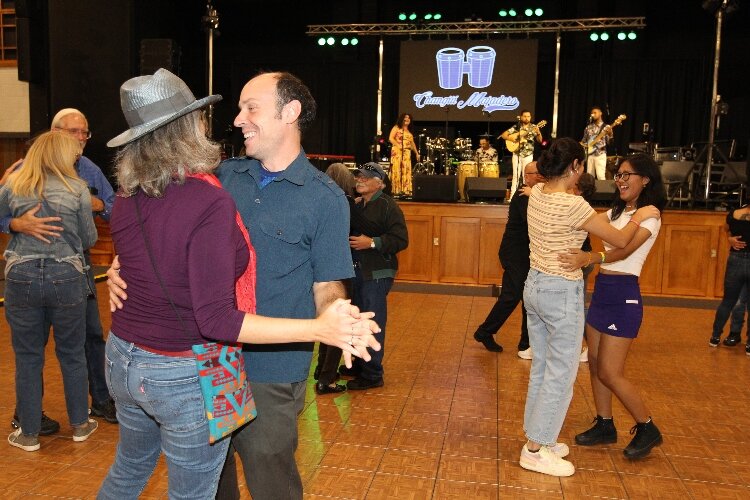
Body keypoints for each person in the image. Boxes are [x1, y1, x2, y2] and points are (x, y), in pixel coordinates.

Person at [98, 69, 379, 499]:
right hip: (204, 361)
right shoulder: (219, 177)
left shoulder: (324, 197)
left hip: (272, 367)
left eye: (252, 107)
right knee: (213, 481)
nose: (238, 119)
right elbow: (160, 233)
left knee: (271, 481)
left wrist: (332, 316)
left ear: (291, 112)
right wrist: (123, 265)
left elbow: (328, 282)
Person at [519, 138, 659, 477]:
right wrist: (646, 214)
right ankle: (536, 450)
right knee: (561, 374)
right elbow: (622, 240)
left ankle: (540, 439)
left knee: (542, 368)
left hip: (534, 286)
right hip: (559, 291)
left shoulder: (536, 194)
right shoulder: (575, 207)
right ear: (576, 168)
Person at [1, 109, 118, 431]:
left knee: (90, 336)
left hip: (67, 266)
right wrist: (14, 223)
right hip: (66, 269)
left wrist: (99, 206)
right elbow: (89, 234)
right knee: (37, 347)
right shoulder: (21, 172)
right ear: (54, 135)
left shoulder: (88, 171)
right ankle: (36, 416)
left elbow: (112, 207)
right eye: (73, 133)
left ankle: (100, 401)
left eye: (85, 133)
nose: (80, 140)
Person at [559, 154, 667, 459]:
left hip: (624, 296)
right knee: (594, 363)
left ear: (645, 179)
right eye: (617, 175)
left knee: (609, 371)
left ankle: (647, 426)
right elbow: (591, 221)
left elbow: (623, 249)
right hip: (603, 291)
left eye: (626, 175)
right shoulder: (619, 211)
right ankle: (605, 423)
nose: (619, 180)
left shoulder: (650, 214)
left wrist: (590, 257)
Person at [340, 162, 409, 390]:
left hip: (377, 273)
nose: (359, 179)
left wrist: (371, 243)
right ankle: (359, 365)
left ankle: (372, 374)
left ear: (380, 182)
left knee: (372, 322)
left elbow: (400, 240)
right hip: (357, 271)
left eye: (365, 177)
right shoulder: (360, 205)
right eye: (358, 176)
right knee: (358, 319)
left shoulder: (388, 206)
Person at [473, 162, 543, 355]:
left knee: (526, 298)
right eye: (534, 173)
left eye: (541, 173)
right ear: (526, 176)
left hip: (526, 254)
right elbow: (533, 222)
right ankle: (486, 332)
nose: (539, 176)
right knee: (512, 297)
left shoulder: (536, 194)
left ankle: (524, 343)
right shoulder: (523, 194)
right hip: (515, 253)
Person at [313, 162, 357, 395]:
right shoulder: (346, 203)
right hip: (341, 266)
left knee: (326, 319)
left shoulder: (319, 199)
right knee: (340, 324)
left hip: (321, 266)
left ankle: (321, 370)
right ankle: (327, 379)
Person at [709, 204, 750, 353]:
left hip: (735, 259)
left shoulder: (736, 213)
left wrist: (730, 239)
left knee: (728, 301)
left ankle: (714, 337)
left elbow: (725, 228)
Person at [500, 110, 543, 196]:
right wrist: (512, 138)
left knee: (526, 175)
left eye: (528, 116)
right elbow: (504, 135)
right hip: (517, 154)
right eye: (525, 116)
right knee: (515, 175)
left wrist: (538, 133)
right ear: (521, 117)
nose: (527, 118)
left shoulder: (534, 127)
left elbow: (540, 141)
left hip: (528, 155)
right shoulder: (517, 127)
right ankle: (512, 196)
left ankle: (524, 196)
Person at [722, 233, 748, 347]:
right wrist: (729, 238)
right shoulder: (736, 214)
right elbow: (727, 226)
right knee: (738, 300)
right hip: (739, 258)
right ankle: (735, 332)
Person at [389, 113, 419, 197]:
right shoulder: (396, 128)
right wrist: (398, 145)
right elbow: (390, 138)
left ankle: (405, 190)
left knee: (406, 170)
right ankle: (396, 190)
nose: (407, 119)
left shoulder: (408, 131)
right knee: (397, 170)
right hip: (397, 152)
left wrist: (416, 153)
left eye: (409, 118)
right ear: (402, 119)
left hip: (406, 153)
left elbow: (412, 143)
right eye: (405, 117)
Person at [581, 106, 613, 180]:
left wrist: (610, 134)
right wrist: (582, 145)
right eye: (592, 113)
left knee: (600, 176)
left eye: (595, 112)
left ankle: (602, 191)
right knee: (589, 177)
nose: (593, 114)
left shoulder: (606, 127)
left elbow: (610, 143)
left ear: (600, 113)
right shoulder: (588, 127)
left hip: (600, 154)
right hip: (590, 155)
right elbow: (584, 141)